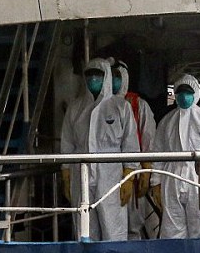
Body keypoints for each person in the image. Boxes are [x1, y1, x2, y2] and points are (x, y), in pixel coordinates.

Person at [60, 58, 141, 241]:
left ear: (106, 77)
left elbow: (130, 144)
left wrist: (129, 175)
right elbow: (67, 143)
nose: (93, 79)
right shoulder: (75, 108)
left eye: (98, 75)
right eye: (89, 75)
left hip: (111, 176)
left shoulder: (121, 107)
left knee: (113, 228)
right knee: (85, 229)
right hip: (80, 174)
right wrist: (66, 173)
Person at [152, 74, 200, 239]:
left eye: (188, 92)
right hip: (172, 176)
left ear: (196, 93)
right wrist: (156, 181)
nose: (184, 96)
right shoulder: (166, 122)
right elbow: (158, 153)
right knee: (172, 230)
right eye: (180, 92)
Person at [111, 60, 157, 240]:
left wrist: (147, 170)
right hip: (106, 175)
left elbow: (148, 138)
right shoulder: (100, 106)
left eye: (117, 76)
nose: (114, 80)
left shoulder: (139, 105)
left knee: (133, 224)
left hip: (133, 174)